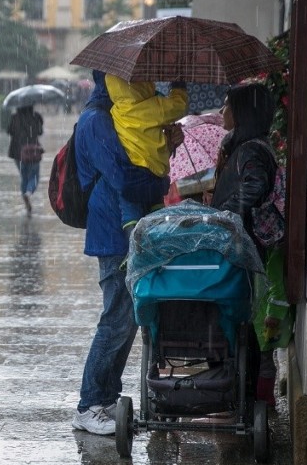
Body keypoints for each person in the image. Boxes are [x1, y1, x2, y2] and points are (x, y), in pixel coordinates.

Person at [70, 70, 181, 435]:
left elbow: (138, 170)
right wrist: (160, 178)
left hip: (125, 227)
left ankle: (106, 398)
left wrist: (167, 149)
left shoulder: (114, 115)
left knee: (126, 320)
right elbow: (124, 178)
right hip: (113, 231)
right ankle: (89, 405)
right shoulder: (97, 121)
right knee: (116, 318)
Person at [209, 81, 279, 406]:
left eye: (227, 105)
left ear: (243, 112)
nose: (222, 111)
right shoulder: (242, 146)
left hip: (244, 245)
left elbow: (256, 187)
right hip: (240, 243)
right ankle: (241, 391)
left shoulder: (251, 150)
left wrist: (225, 213)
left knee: (243, 320)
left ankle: (247, 395)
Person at [103, 74, 188, 228]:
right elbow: (178, 106)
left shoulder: (116, 110)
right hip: (152, 174)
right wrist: (178, 86)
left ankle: (133, 245)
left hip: (127, 175)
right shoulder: (155, 106)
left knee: (130, 215)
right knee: (157, 215)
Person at [6, 105, 44, 214]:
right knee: (34, 176)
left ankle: (25, 199)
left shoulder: (15, 117)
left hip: (18, 152)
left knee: (24, 176)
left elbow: (9, 131)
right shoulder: (36, 116)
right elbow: (40, 132)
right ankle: (29, 192)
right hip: (33, 151)